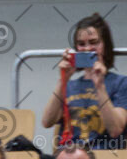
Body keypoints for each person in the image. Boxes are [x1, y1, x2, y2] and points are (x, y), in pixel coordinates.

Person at [41, 13, 127, 150]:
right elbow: (46, 122)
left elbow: (115, 129)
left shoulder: (121, 83)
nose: (87, 49)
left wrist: (99, 87)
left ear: (105, 45)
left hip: (107, 158)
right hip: (71, 158)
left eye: (94, 42)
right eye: (81, 44)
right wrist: (62, 80)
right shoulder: (69, 85)